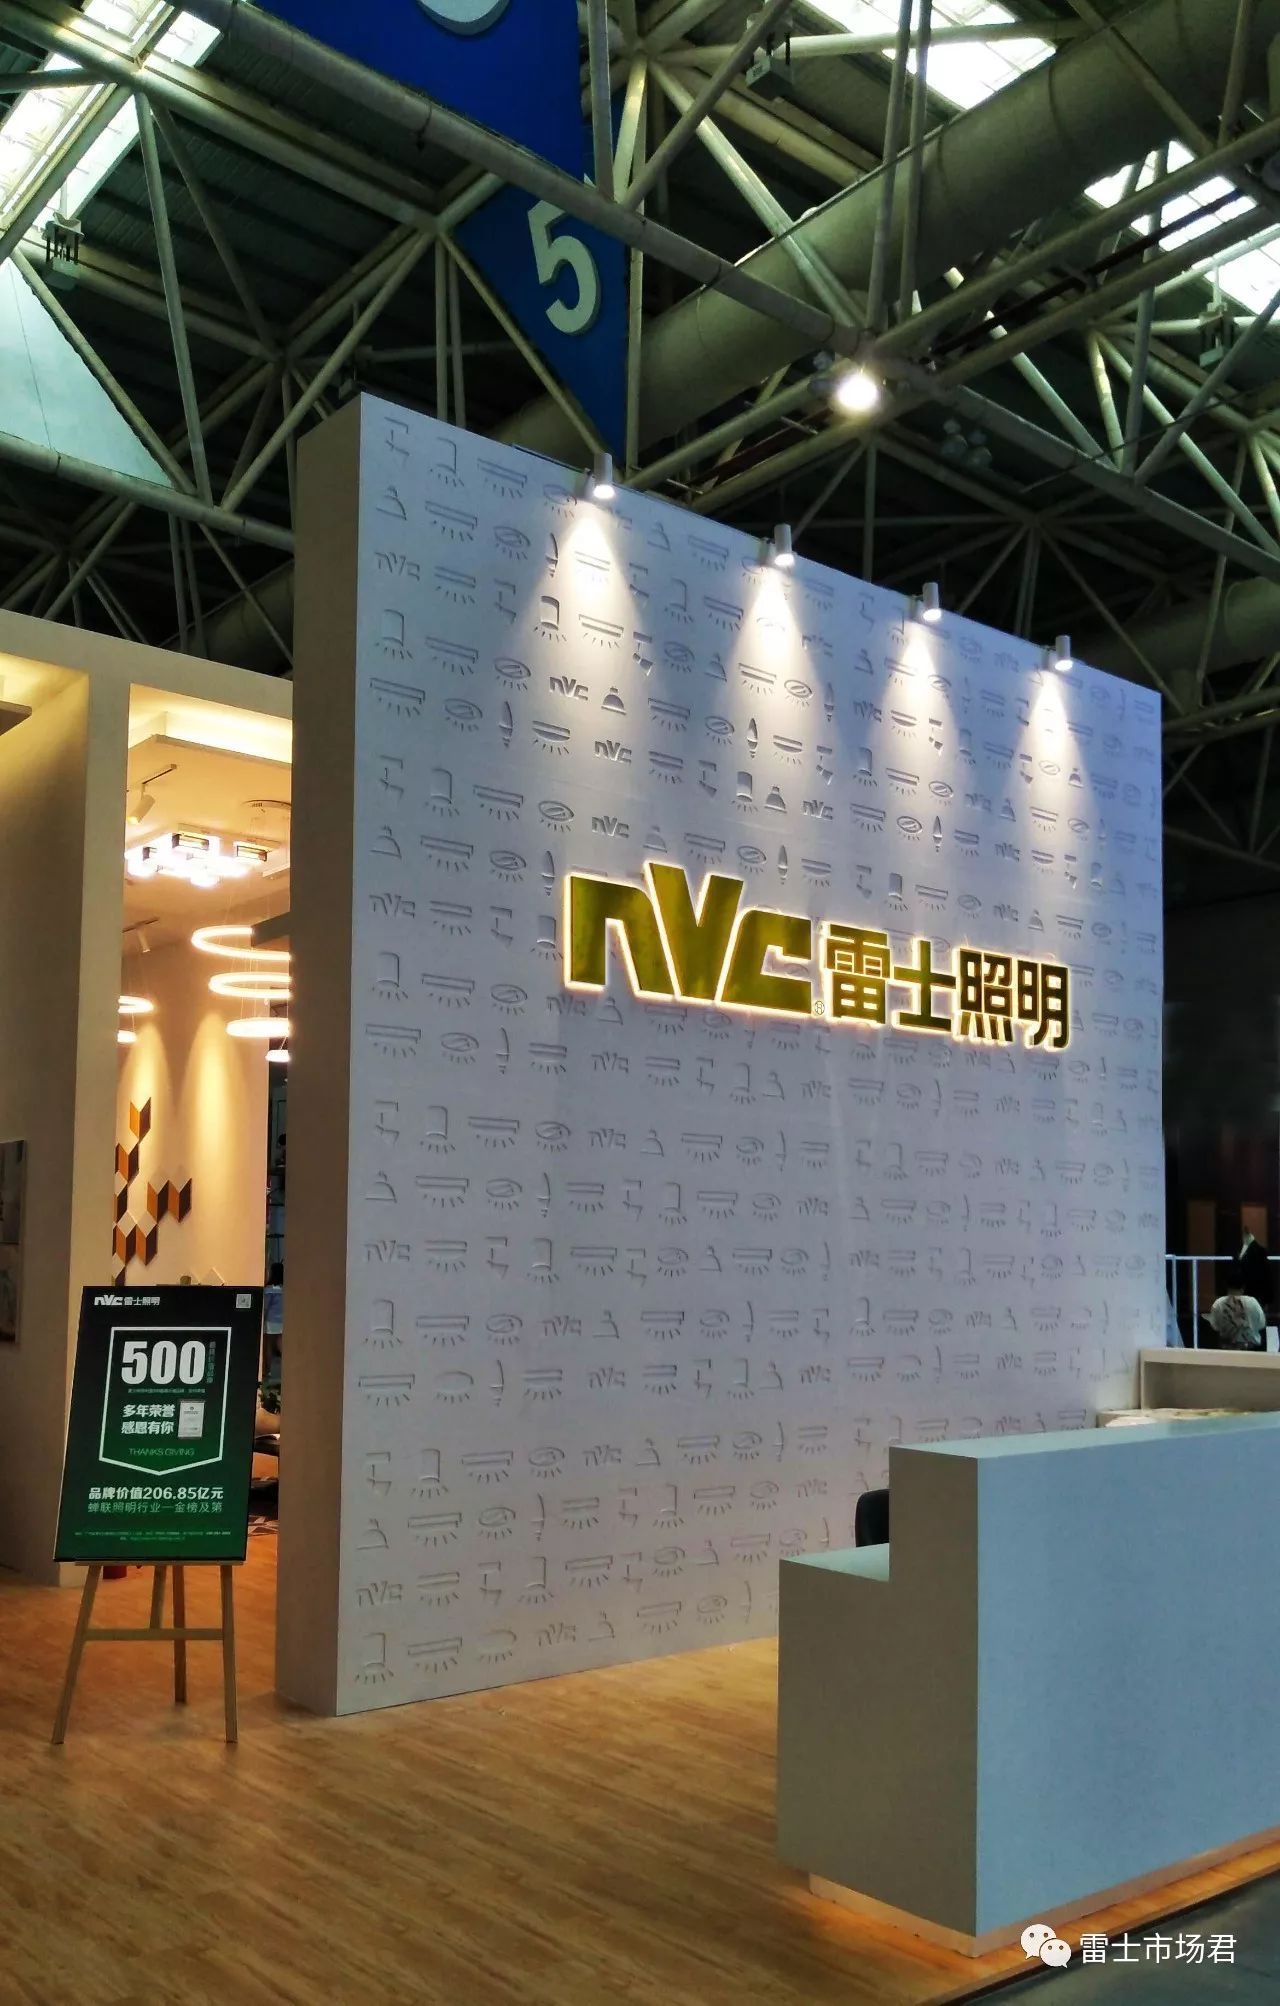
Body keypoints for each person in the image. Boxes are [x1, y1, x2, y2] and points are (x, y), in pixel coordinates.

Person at [1208, 1267, 1266, 1350]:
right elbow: (1261, 1324)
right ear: (1243, 1286)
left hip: (1227, 1349)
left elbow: (1215, 1326)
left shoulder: (1218, 1303)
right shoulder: (1253, 1302)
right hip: (1251, 1349)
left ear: (1226, 1285)